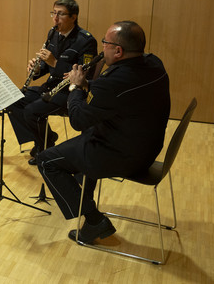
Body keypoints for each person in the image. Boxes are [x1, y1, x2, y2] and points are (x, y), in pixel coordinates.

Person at [35, 21, 171, 244]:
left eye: (105, 43)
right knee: (82, 143)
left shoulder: (113, 82)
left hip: (123, 156)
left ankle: (94, 220)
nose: (102, 47)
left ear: (118, 51)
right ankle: (84, 197)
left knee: (46, 161)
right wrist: (88, 84)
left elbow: (78, 120)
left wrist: (76, 87)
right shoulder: (153, 63)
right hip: (147, 147)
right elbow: (117, 97)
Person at [7, 0, 97, 165]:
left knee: (31, 111)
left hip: (69, 92)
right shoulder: (53, 33)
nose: (55, 19)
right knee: (13, 100)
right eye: (53, 13)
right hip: (50, 87)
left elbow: (84, 76)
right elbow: (47, 66)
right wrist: (38, 68)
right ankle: (45, 138)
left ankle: (44, 146)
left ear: (73, 17)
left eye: (60, 14)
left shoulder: (85, 41)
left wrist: (54, 62)